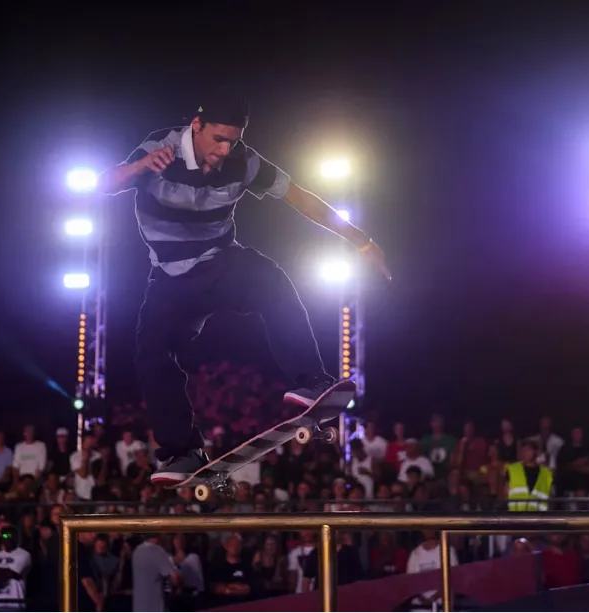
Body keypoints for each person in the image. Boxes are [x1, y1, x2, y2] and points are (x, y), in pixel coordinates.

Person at [98, 91, 391, 485]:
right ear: (196, 126)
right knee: (149, 356)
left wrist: (361, 240)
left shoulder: (245, 161)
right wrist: (137, 168)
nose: (223, 150)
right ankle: (181, 450)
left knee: (272, 282)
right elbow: (102, 184)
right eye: (217, 139)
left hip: (221, 263)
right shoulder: (159, 148)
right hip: (168, 278)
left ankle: (311, 381)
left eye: (232, 141)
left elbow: (300, 198)